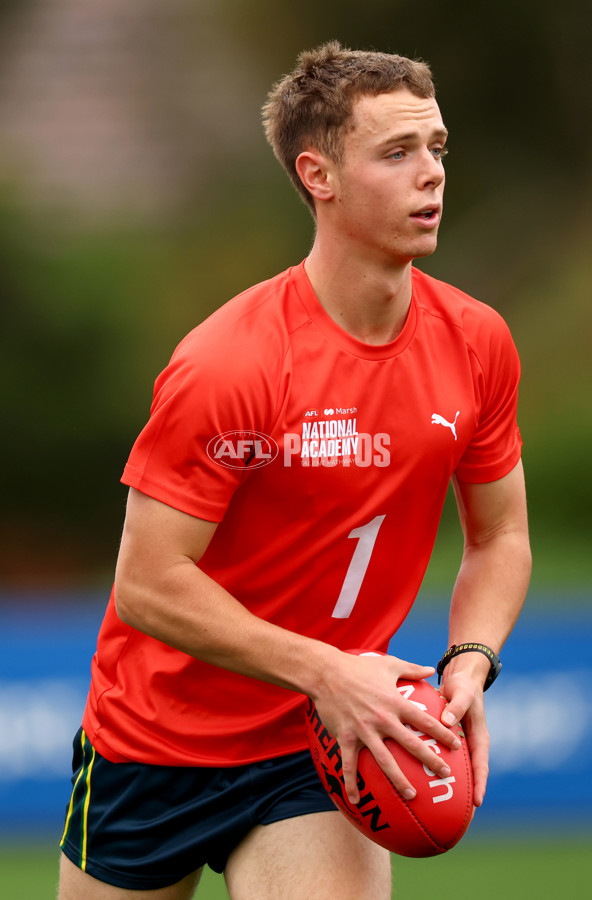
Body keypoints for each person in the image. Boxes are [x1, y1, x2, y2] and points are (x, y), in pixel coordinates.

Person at [58, 40, 531, 900]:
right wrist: (327, 667)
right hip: (155, 741)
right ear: (319, 176)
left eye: (438, 148)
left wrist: (470, 660)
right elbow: (148, 584)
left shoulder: (477, 342)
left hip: (324, 739)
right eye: (398, 153)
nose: (433, 175)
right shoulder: (230, 364)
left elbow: (501, 536)